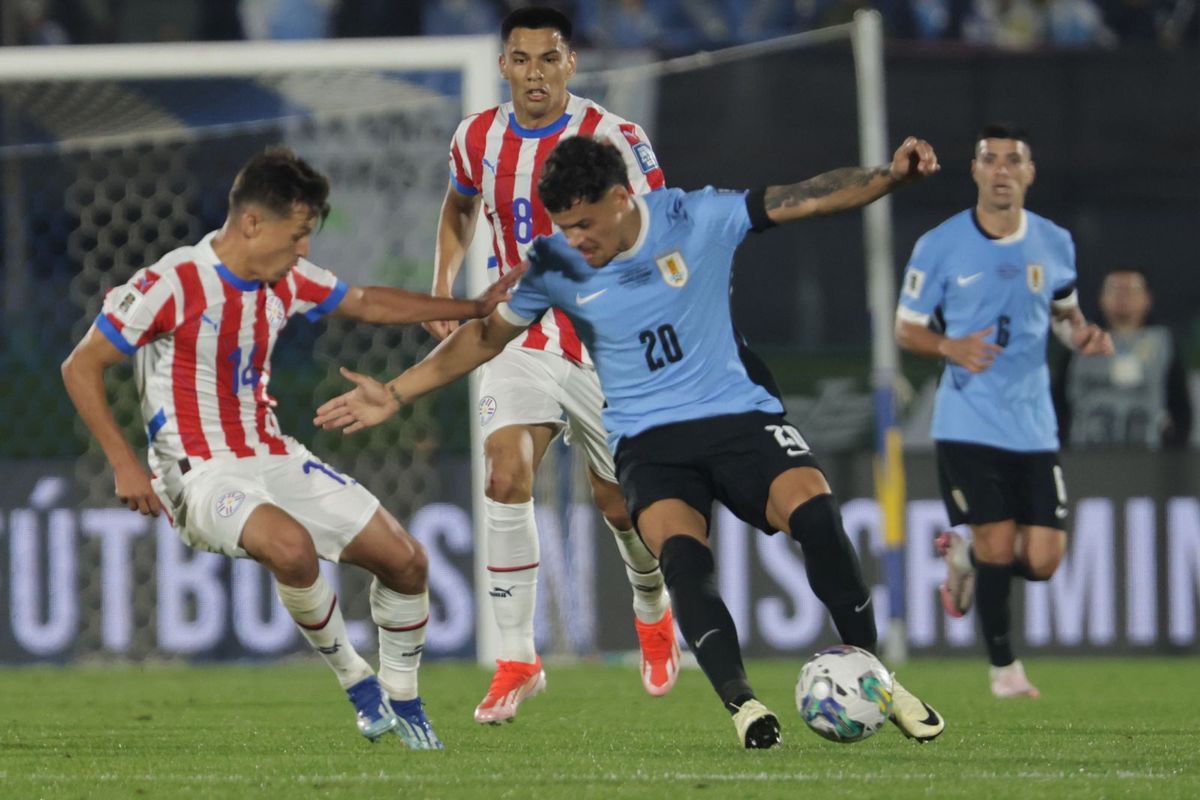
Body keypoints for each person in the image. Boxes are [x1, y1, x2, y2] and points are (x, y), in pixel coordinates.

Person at [315, 134, 948, 749]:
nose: (577, 240)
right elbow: (484, 339)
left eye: (586, 224)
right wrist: (395, 393)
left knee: (817, 516)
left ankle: (881, 681)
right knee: (683, 557)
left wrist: (890, 178)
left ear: (623, 198)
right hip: (649, 441)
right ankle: (742, 704)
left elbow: (806, 197)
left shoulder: (693, 216)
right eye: (565, 226)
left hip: (737, 416)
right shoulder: (554, 264)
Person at [61, 146, 521, 749]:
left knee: (408, 562)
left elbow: (367, 302)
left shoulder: (288, 279)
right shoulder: (171, 284)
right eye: (297, 234)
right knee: (291, 546)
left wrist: (473, 306)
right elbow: (81, 366)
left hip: (273, 453)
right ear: (252, 223)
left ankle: (404, 697)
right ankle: (358, 683)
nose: (304, 248)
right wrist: (125, 465)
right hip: (198, 473)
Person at [426, 5, 676, 724]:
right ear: (503, 64)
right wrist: (443, 286)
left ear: (572, 63)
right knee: (505, 473)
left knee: (618, 503)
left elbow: (660, 227)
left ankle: (650, 604)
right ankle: (515, 658)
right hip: (520, 332)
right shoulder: (477, 137)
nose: (534, 73)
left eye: (549, 58)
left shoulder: (615, 137)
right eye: (521, 59)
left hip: (605, 339)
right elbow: (458, 206)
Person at [894, 124, 1113, 699]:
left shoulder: (1054, 242)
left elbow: (1064, 316)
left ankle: (964, 558)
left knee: (1042, 560)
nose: (1001, 170)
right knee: (998, 544)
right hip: (967, 421)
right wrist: (950, 347)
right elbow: (907, 329)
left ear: (1029, 172)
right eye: (990, 160)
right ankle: (1005, 671)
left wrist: (1083, 337)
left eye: (1012, 160)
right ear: (975, 170)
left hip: (1033, 424)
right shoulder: (939, 245)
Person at [1054, 268, 1192, 449]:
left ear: (1147, 298)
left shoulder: (1162, 344)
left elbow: (1180, 408)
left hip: (1148, 458)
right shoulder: (1079, 341)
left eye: (1131, 289)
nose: (1122, 296)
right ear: (1101, 297)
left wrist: (1174, 452)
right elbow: (1058, 402)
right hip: (1086, 456)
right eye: (1114, 289)